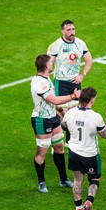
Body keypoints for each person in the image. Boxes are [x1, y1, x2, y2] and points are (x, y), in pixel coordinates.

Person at [31, 54, 81, 193]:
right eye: (51, 63)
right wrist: (73, 96)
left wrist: (60, 111)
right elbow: (54, 99)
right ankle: (41, 182)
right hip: (42, 120)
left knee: (59, 147)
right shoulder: (39, 83)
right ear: (46, 66)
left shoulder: (46, 79)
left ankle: (63, 179)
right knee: (42, 150)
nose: (52, 65)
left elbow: (52, 104)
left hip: (53, 117)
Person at [61, 87, 106, 210]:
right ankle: (88, 202)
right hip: (90, 154)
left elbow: (64, 127)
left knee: (78, 180)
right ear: (91, 100)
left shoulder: (70, 113)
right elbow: (105, 134)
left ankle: (78, 208)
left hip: (73, 152)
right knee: (94, 180)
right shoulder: (96, 117)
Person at [47, 19, 93, 143]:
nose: (72, 32)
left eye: (73, 29)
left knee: (75, 112)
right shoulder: (56, 45)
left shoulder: (80, 43)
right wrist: (49, 83)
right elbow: (48, 65)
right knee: (60, 112)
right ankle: (57, 141)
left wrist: (82, 75)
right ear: (62, 31)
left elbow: (89, 61)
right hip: (60, 82)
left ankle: (69, 141)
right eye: (68, 30)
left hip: (75, 83)